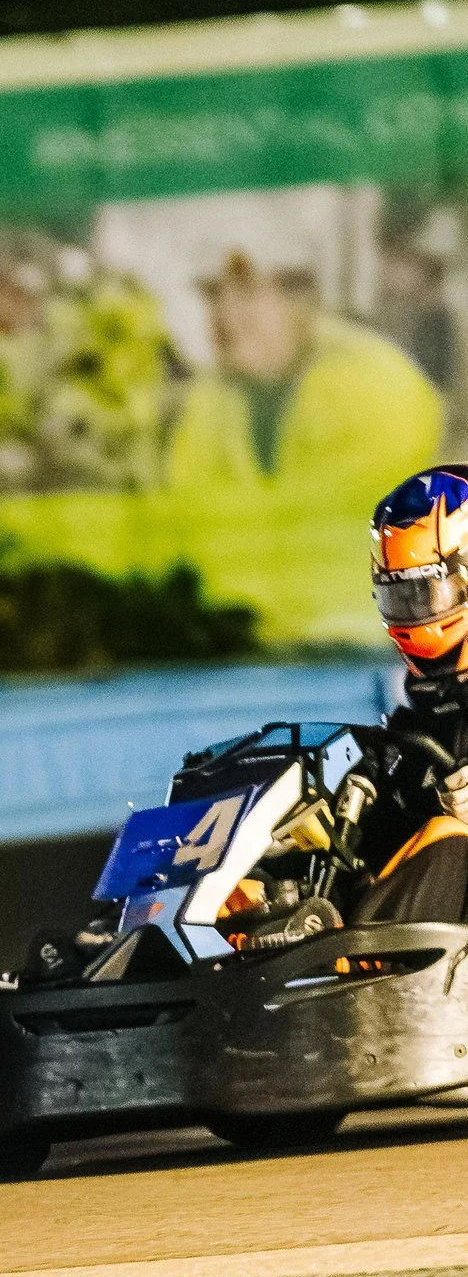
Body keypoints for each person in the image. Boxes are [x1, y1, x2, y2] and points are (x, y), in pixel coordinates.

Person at [165, 253, 443, 519]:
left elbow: (350, 515)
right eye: (213, 294)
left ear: (299, 299)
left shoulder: (375, 383)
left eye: (247, 292)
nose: (225, 314)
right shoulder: (212, 396)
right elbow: (189, 499)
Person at [359, 466, 468, 923]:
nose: (412, 614)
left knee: (447, 840)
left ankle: (354, 965)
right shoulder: (420, 722)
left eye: (426, 591)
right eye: (400, 597)